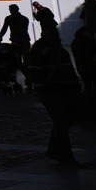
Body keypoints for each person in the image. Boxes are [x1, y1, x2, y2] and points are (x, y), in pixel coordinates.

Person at [28, 29, 81, 164]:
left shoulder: (57, 51)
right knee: (62, 122)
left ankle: (55, 151)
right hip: (52, 91)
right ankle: (65, 154)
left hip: (62, 90)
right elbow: (35, 72)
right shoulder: (43, 51)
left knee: (62, 122)